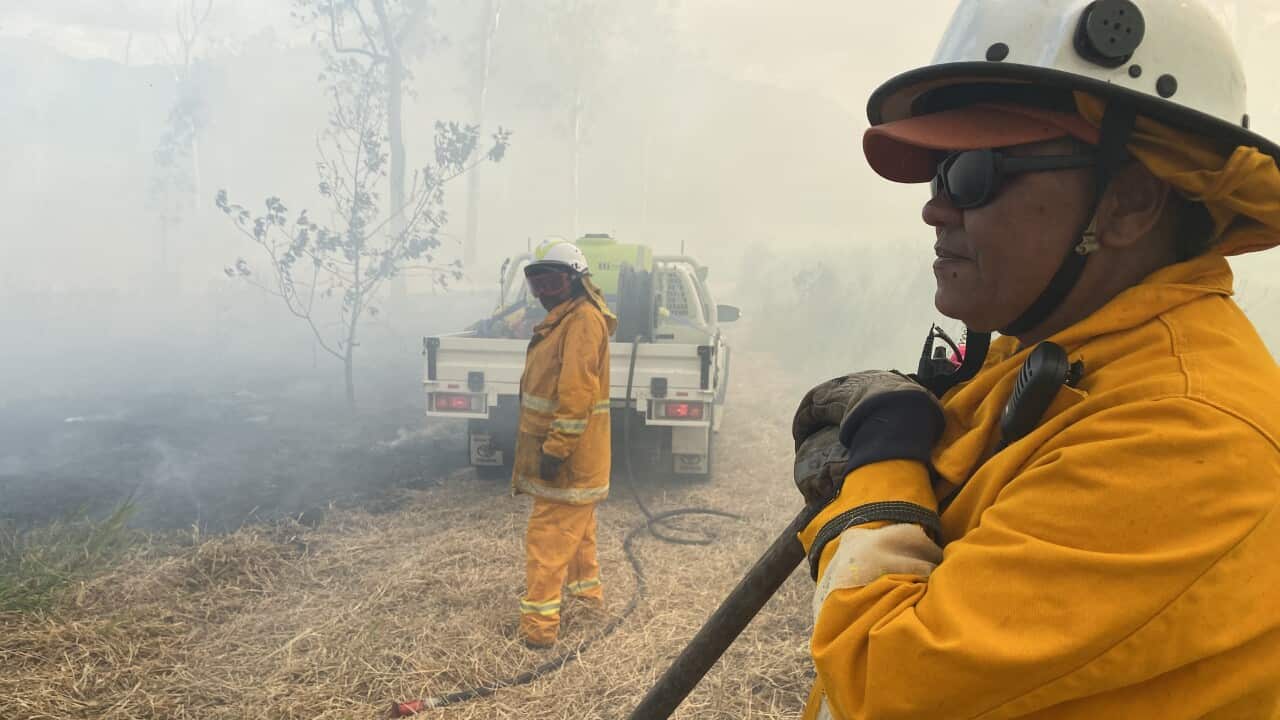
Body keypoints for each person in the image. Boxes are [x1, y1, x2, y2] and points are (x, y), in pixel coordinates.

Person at [790, 1, 1280, 717]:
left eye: (974, 173)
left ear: (1129, 203)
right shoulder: (1063, 356)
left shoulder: (1185, 434)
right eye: (938, 171)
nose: (936, 208)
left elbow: (885, 681)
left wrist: (883, 466)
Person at [512, 240, 616, 649]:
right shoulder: (565, 319)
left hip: (570, 455)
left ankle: (538, 630)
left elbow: (576, 394)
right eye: (537, 283)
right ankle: (587, 600)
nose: (544, 293)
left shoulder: (582, 321)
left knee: (548, 537)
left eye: (552, 282)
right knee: (579, 532)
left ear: (576, 281)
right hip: (576, 455)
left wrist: (556, 449)